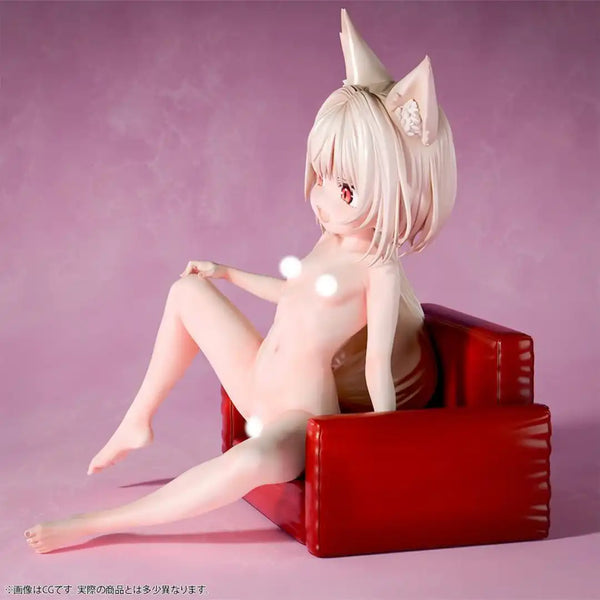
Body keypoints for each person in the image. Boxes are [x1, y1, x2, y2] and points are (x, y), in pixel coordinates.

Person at [24, 8, 456, 553]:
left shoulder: (379, 270)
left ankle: (100, 522)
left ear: (395, 188)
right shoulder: (330, 240)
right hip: (256, 380)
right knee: (187, 292)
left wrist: (382, 447)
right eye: (321, 175)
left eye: (344, 188)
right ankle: (138, 419)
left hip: (298, 415)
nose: (320, 197)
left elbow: (376, 370)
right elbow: (293, 298)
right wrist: (226, 273)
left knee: (246, 463)